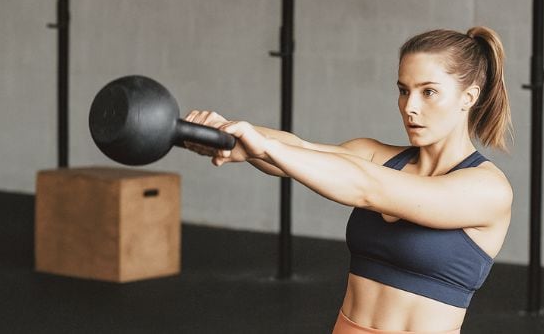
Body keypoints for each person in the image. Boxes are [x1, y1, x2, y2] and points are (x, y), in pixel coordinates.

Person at [184, 26, 513, 334]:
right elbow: (302, 150)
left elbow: (369, 188)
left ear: (468, 97)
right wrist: (225, 132)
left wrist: (263, 146)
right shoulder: (375, 155)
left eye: (428, 92)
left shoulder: (488, 189)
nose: (409, 107)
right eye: (403, 90)